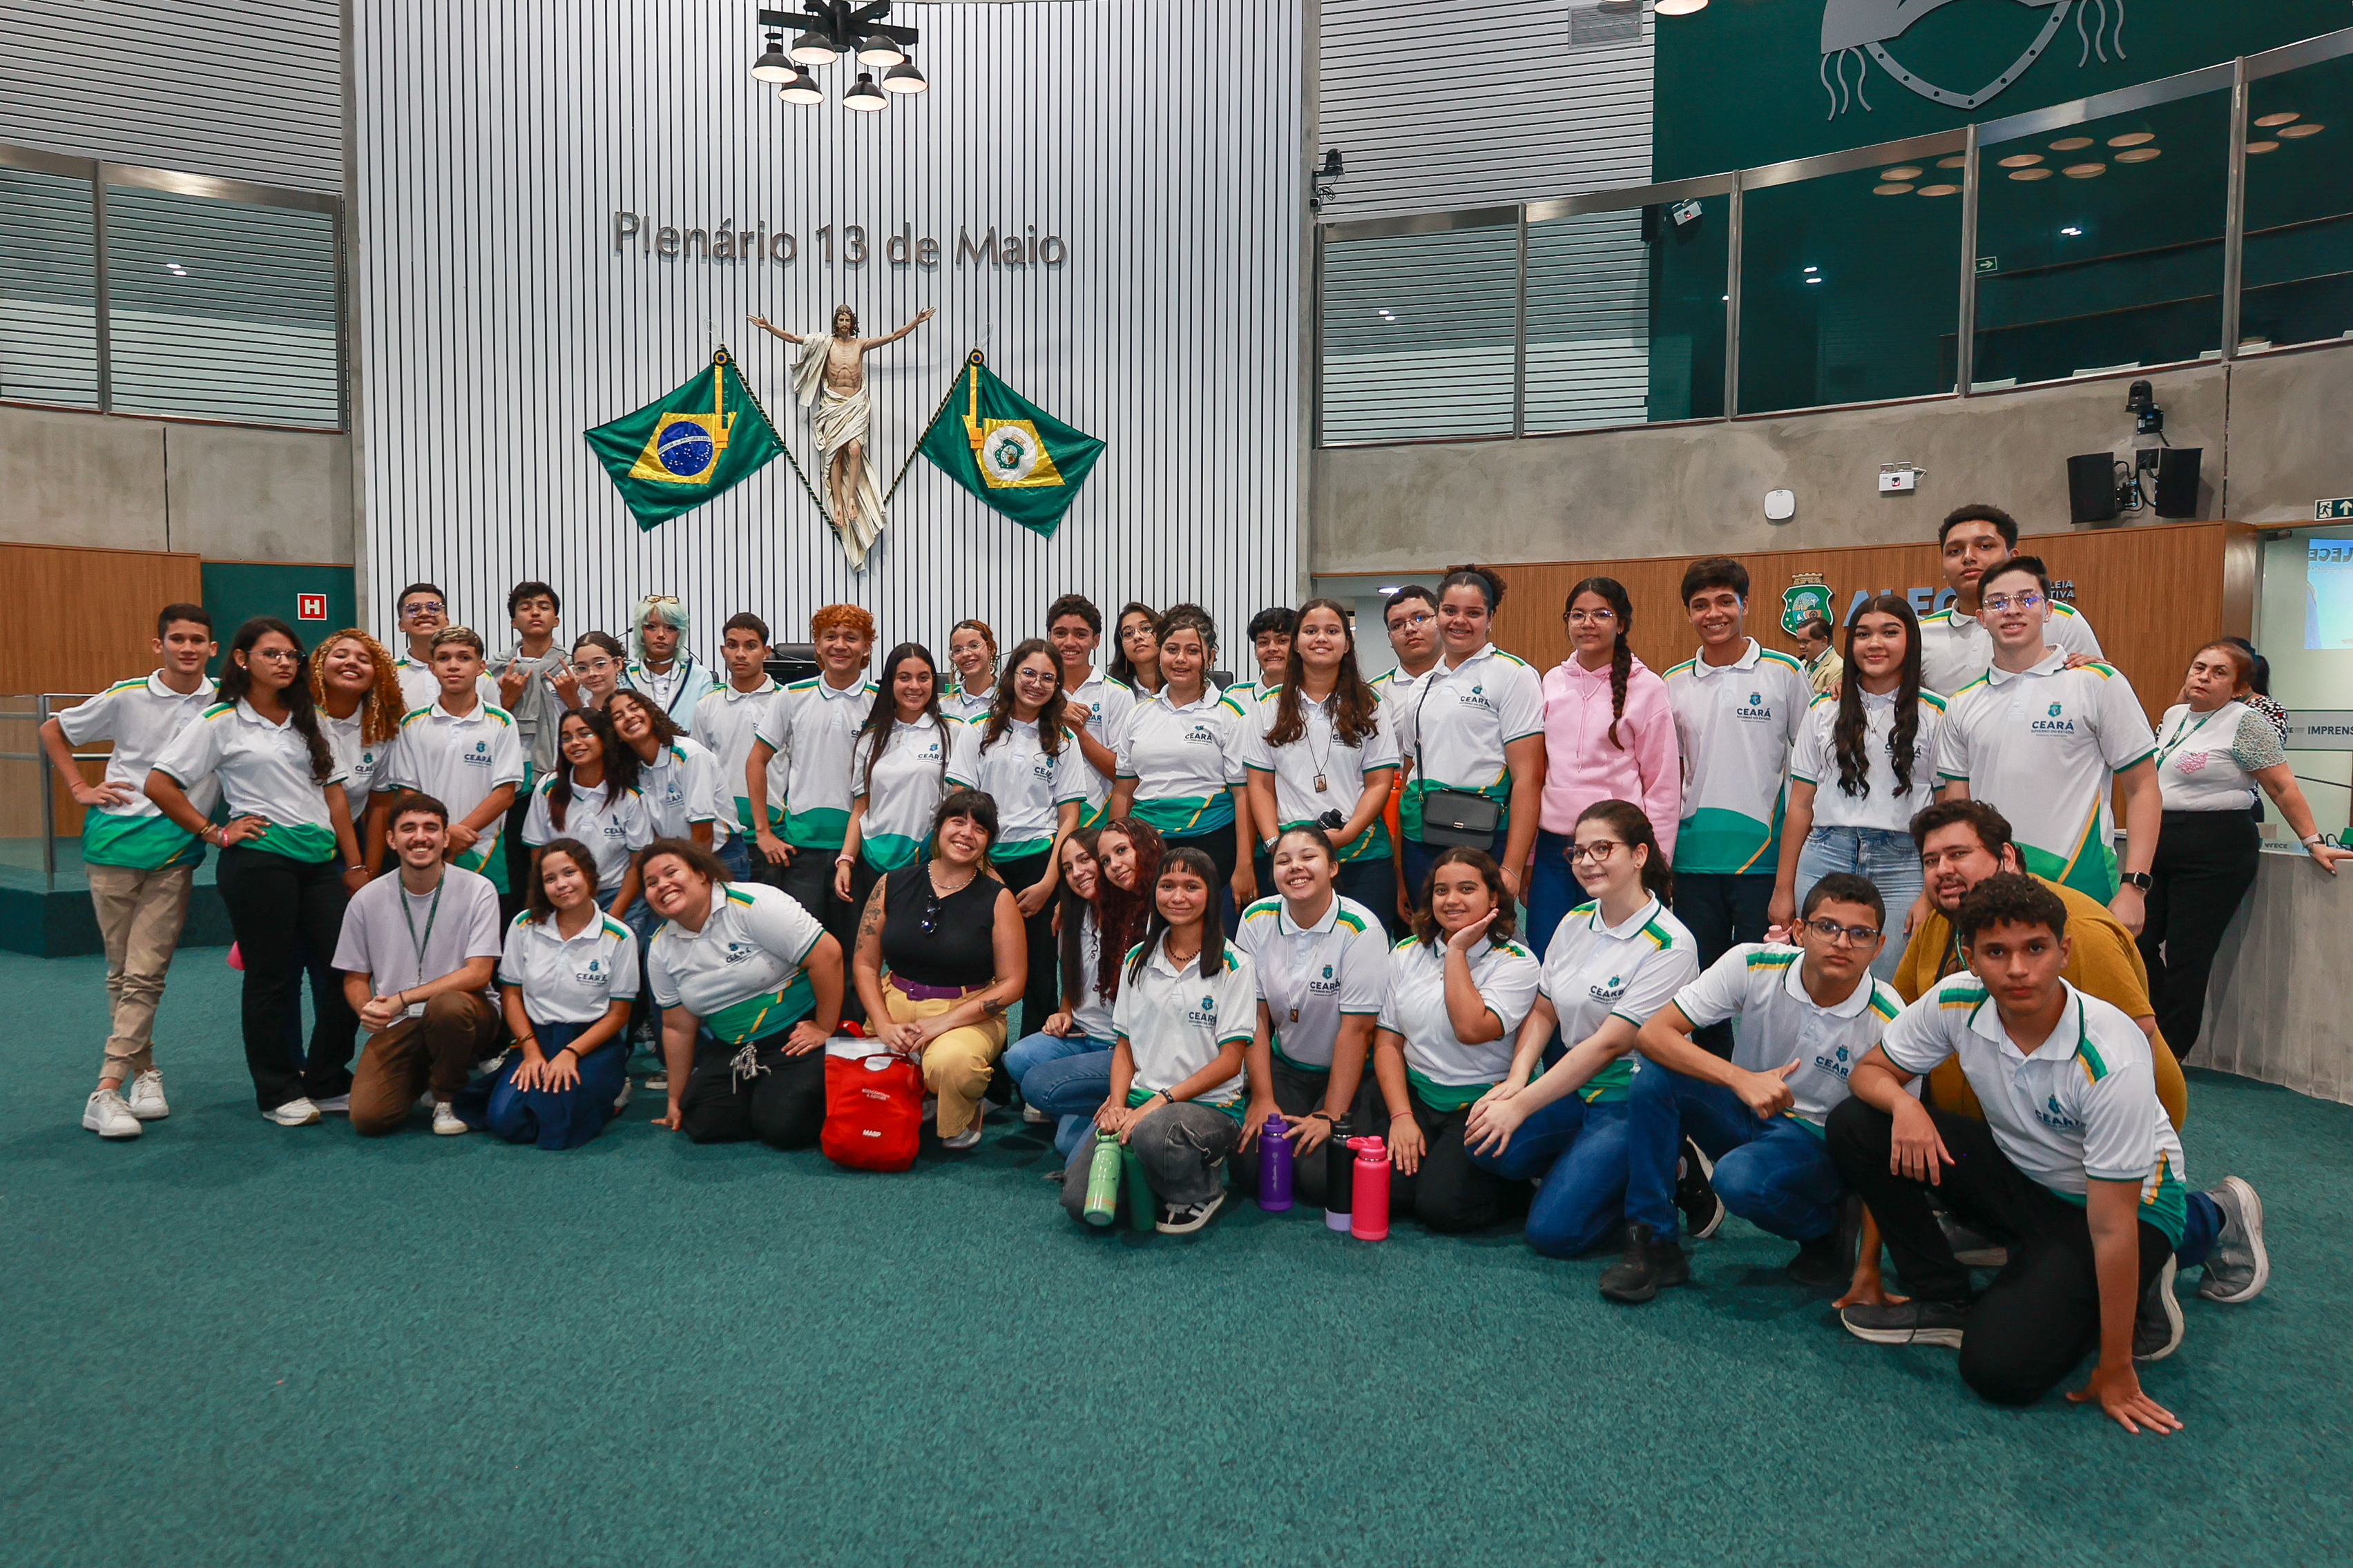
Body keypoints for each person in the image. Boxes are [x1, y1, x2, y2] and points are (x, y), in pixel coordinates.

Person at [1829, 874, 2267, 1425]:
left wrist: (2114, 1367)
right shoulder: (1954, 999)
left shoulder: (2109, 1050)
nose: (2016, 969)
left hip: (2126, 1208)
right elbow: (1869, 1073)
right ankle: (1943, 1294)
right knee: (1857, 1123)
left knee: (1999, 1372)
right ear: (1971, 956)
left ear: (2062, 951)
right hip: (2025, 1178)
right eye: (1995, 951)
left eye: (2034, 948)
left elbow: (2111, 1226)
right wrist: (1904, 1105)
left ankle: (2205, 1224)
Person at [1608, 872, 1901, 1301]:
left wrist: (1868, 1268)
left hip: (1817, 1142)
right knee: (1655, 1075)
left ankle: (1826, 1229)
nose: (1841, 943)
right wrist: (1739, 1078)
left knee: (1738, 1179)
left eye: (1860, 934)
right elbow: (1652, 1034)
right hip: (1744, 1106)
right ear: (1799, 931)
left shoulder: (1890, 1017)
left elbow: (1888, 1151)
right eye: (1827, 927)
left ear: (1879, 946)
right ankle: (1653, 1243)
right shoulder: (1752, 961)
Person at [146, 617, 365, 1125]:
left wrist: (352, 864)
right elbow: (160, 783)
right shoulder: (221, 720)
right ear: (243, 659)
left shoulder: (311, 718)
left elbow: (334, 795)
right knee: (270, 977)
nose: (285, 662)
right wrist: (215, 831)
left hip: (320, 863)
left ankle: (328, 1078)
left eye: (291, 655)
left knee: (347, 971)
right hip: (260, 862)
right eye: (273, 654)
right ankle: (277, 1091)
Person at [1457, 801, 1696, 1264]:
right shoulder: (1574, 921)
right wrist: (1515, 1079)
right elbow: (1544, 1010)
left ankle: (1669, 1162)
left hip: (1628, 1099)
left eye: (1602, 848)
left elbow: (1609, 1043)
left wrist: (1522, 1105)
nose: (1586, 862)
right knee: (1482, 1143)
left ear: (1640, 855)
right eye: (1577, 851)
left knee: (1554, 1233)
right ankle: (1592, 1165)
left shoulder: (1671, 943)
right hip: (1572, 1087)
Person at [43, 604, 218, 1139]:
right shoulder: (127, 694)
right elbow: (55, 730)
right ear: (157, 644)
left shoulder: (223, 701)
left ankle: (106, 1087)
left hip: (174, 848)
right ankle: (145, 1072)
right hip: (112, 842)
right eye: (177, 639)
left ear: (213, 648)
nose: (187, 648)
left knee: (145, 971)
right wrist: (79, 787)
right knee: (123, 970)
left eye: (197, 640)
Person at [2140, 641, 2348, 1060]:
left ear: (2238, 687)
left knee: (2187, 955)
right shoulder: (2175, 715)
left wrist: (2313, 841)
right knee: (2137, 940)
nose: (2203, 677)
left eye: (2219, 672)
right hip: (2160, 842)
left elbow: (2281, 786)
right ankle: (2153, 1030)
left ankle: (2170, 1053)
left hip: (2216, 846)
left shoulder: (2246, 722)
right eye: (2199, 668)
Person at [1935, 554, 2160, 919]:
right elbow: (1957, 812)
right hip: (1991, 890)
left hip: (2082, 885)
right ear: (1982, 618)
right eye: (1997, 602)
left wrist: (2134, 887)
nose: (2012, 610)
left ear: (2048, 610)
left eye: (2027, 599)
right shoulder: (1961, 705)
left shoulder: (2097, 683)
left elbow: (2143, 787)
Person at [1056, 846, 1261, 1235]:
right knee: (1079, 1202)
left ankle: (1200, 1186)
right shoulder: (1137, 959)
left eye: (1191, 886)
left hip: (1210, 1107)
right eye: (1167, 886)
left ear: (1210, 894)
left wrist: (1156, 1104)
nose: (1178, 897)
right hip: (1140, 1101)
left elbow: (1231, 1062)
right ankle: (1152, 1174)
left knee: (1157, 1135)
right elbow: (1124, 1046)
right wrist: (1117, 1104)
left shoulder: (1235, 965)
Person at [1662, 556, 1809, 1054]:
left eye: (1725, 601)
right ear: (1688, 613)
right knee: (1702, 987)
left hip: (1762, 861)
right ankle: (1711, 1092)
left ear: (1745, 604)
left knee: (1765, 987)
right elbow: (1669, 774)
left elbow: (1809, 770)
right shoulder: (1673, 682)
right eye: (1700, 604)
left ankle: (1762, 1088)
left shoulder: (1785, 672)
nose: (1714, 613)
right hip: (1692, 860)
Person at [1769, 595, 1945, 983]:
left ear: (1910, 641)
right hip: (1825, 854)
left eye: (1889, 632)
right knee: (1820, 980)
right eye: (1863, 634)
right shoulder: (1823, 710)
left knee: (1888, 987)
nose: (1875, 643)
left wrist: (1929, 892)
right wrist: (1783, 890)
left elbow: (1948, 811)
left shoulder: (1937, 713)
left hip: (1902, 866)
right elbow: (1799, 806)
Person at [1372, 846, 1543, 1232]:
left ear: (1493, 897)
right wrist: (1401, 1116)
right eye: (1441, 890)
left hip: (1480, 1103)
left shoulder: (1516, 962)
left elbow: (1471, 1030)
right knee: (1386, 1192)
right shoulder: (1405, 953)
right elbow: (1387, 1042)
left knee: (1441, 1209)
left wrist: (1457, 951)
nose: (1451, 901)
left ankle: (1519, 1185)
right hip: (1417, 1096)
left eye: (1467, 889)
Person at [850, 791, 1029, 1148]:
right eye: (958, 821)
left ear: (989, 841)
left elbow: (1013, 984)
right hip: (894, 1002)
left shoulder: (999, 898)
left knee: (952, 1065)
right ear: (939, 827)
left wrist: (940, 1024)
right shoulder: (892, 883)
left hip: (965, 1011)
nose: (966, 834)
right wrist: (884, 1025)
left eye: (979, 828)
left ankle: (962, 1107)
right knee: (863, 1080)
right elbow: (865, 963)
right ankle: (924, 1094)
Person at [642, 839, 845, 1146]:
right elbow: (677, 1027)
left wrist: (824, 1027)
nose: (662, 885)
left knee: (785, 1129)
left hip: (797, 1034)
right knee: (702, 1124)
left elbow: (828, 955)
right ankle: (766, 1090)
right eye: (651, 882)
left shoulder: (754, 903)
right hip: (734, 1045)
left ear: (701, 874)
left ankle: (802, 1079)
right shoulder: (659, 947)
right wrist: (674, 1098)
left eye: (671, 873)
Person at [1233, 825, 1391, 1206]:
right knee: (1250, 1170)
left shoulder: (1361, 929)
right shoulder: (1256, 918)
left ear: (1333, 868)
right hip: (1286, 1065)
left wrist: (1330, 1114)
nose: (1295, 868)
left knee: (1321, 1177)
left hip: (1353, 1072)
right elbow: (1252, 1016)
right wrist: (1263, 1097)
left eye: (1308, 857)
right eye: (1283, 861)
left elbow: (1357, 1031)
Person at [332, 795, 506, 1136]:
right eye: (408, 829)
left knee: (446, 1007)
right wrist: (366, 1010)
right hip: (401, 1023)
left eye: (431, 828)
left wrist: (403, 998)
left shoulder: (478, 890)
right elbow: (354, 977)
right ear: (391, 839)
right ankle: (428, 1071)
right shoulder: (366, 899)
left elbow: (478, 973)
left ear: (445, 837)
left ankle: (448, 1096)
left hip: (468, 1013)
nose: (420, 837)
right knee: (368, 1118)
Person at [1529, 577, 1679, 956]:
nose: (1587, 623)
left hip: (1616, 847)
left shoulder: (1647, 687)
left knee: (1612, 954)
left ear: (1622, 623)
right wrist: (1528, 858)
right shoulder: (1551, 681)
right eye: (1578, 615)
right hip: (1555, 847)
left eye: (1601, 614)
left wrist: (1656, 863)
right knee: (1549, 951)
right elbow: (1537, 774)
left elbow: (1661, 784)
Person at [461, 836, 639, 1150]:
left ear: (589, 875)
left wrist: (571, 1054)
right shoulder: (523, 925)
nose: (562, 885)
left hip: (591, 1043)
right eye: (550, 879)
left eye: (569, 873)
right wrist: (530, 1051)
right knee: (505, 1120)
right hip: (536, 1039)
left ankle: (614, 1094)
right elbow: (512, 995)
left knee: (558, 1123)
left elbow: (618, 1015)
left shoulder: (619, 936)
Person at [945, 637, 1088, 1023]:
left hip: (1040, 864)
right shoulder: (977, 729)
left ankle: (1030, 1059)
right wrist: (985, 870)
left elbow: (1069, 818)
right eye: (1029, 673)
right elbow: (960, 805)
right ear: (1012, 674)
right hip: (982, 862)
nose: (1036, 684)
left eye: (1048, 678)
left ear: (1057, 686)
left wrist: (1048, 882)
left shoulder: (1064, 740)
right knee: (976, 963)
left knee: (1040, 969)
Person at [1242, 597, 1401, 935]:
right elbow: (1259, 785)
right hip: (1289, 856)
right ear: (1297, 644)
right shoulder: (1267, 707)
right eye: (1311, 631)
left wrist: (1346, 834)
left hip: (1360, 853)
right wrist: (1274, 845)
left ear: (1347, 643)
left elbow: (1379, 783)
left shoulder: (1370, 704)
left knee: (1366, 946)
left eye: (1332, 631)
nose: (1321, 639)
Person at [1006, 818, 1164, 1156]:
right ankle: (1086, 1097)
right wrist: (1063, 1012)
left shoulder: (1137, 914)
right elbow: (1073, 983)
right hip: (1081, 1037)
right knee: (1018, 1058)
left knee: (1067, 1145)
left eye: (1087, 860)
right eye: (1067, 868)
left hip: (1120, 1049)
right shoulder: (1072, 917)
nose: (1077, 873)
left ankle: (1105, 1096)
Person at [749, 604, 878, 1016]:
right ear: (817, 647)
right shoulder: (792, 696)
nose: (840, 645)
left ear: (867, 648)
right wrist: (763, 831)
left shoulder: (882, 702)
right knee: (802, 950)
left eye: (851, 638)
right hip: (800, 850)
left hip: (860, 850)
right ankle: (804, 1036)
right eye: (830, 637)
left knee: (859, 951)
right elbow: (756, 761)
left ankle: (853, 1039)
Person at [1394, 565, 1544, 911]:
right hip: (1420, 836)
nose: (1459, 621)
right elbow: (1408, 775)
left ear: (1490, 619)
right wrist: (1400, 871)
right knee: (1427, 938)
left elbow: (1528, 778)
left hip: (1483, 835)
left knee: (1482, 942)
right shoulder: (1422, 685)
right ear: (1437, 616)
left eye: (1473, 613)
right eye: (1449, 611)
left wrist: (1512, 866)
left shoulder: (1513, 675)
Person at [748, 303, 936, 567]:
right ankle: (837, 501)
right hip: (833, 404)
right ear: (835, 322)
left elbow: (893, 337)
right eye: (841, 319)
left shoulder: (860, 344)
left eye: (848, 319)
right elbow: (793, 338)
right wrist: (768, 327)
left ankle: (851, 499)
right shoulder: (824, 344)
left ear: (852, 322)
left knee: (856, 449)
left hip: (856, 404)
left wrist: (916, 322)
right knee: (834, 457)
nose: (844, 324)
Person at [1109, 603, 1254, 921]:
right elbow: (1123, 791)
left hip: (1213, 841)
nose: (1180, 660)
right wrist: (1112, 852)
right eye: (1171, 649)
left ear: (1210, 657)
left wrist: (1245, 865)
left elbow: (1243, 794)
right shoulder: (1139, 714)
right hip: (1147, 845)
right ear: (1160, 654)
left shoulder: (1229, 714)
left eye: (1192, 651)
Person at [378, 625, 525, 894]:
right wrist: (442, 835)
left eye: (464, 657)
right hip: (425, 845)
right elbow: (408, 793)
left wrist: (456, 834)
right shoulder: (412, 723)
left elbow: (505, 794)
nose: (453, 666)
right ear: (432, 667)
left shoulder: (502, 722)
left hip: (482, 849)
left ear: (481, 667)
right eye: (444, 658)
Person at [1918, 505, 2103, 697]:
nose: (1968, 557)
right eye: (1955, 551)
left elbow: (2093, 693)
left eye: (1985, 547)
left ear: (2012, 558)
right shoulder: (1922, 634)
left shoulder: (2061, 619)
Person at [836, 643, 953, 926]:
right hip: (873, 862)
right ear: (890, 682)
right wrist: (845, 861)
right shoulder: (870, 739)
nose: (914, 686)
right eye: (904, 677)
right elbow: (861, 808)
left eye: (923, 678)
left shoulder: (953, 732)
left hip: (927, 861)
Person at [521, 707, 649, 918]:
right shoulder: (548, 787)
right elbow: (537, 851)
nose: (575, 743)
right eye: (567, 738)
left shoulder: (629, 793)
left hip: (616, 895)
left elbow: (637, 864)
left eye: (585, 734)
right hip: (563, 893)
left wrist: (614, 916)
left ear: (604, 738)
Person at [491, 581, 573, 907]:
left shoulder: (575, 666)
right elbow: (485, 726)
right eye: (525, 608)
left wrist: (570, 698)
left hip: (563, 779)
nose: (535, 612)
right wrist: (505, 701)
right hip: (514, 784)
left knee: (564, 865)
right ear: (513, 621)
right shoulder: (494, 669)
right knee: (517, 871)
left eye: (543, 606)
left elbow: (592, 726)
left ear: (556, 618)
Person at [691, 612, 785, 880]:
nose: (740, 654)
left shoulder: (786, 701)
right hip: (725, 837)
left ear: (766, 652)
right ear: (723, 650)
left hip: (777, 834)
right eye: (733, 646)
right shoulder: (706, 705)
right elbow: (699, 773)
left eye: (750, 646)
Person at [1374, 584, 1442, 928]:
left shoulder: (1477, 682)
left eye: (1419, 618)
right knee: (1407, 923)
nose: (1410, 629)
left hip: (1467, 817)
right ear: (1389, 637)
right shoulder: (1373, 695)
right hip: (1394, 819)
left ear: (1440, 619)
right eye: (1398, 624)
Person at [310, 629, 404, 875]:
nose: (351, 662)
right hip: (290, 838)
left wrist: (368, 872)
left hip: (349, 838)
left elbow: (379, 806)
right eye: (340, 655)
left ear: (377, 674)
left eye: (364, 660)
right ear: (321, 664)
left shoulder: (381, 730)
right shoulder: (296, 718)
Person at [1046, 593, 1134, 827]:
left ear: (1096, 641)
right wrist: (1053, 710)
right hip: (1041, 822)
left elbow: (1122, 773)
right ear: (1049, 637)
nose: (1069, 642)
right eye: (1061, 633)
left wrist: (1077, 732)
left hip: (1097, 819)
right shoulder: (1035, 693)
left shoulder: (1118, 694)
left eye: (1080, 634)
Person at [607, 688, 725, 853]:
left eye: (634, 708)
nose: (629, 717)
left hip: (717, 854)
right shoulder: (630, 770)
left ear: (650, 713)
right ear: (615, 734)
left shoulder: (689, 755)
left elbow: (704, 835)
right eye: (618, 717)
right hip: (674, 857)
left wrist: (693, 876)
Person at [390, 581, 500, 713]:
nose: (424, 614)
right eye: (413, 609)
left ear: (447, 621)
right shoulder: (388, 674)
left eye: (434, 608)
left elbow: (494, 722)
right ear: (401, 624)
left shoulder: (478, 674)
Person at [622, 594, 718, 729]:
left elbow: (706, 730)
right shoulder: (622, 677)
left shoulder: (700, 677)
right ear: (640, 631)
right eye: (651, 627)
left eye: (671, 628)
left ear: (681, 633)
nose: (661, 635)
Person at [941, 618, 999, 724]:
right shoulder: (943, 708)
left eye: (974, 646)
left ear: (991, 648)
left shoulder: (1010, 702)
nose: (966, 654)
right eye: (958, 650)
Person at [1108, 601, 1163, 697]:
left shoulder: (1182, 686)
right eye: (1128, 633)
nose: (1137, 637)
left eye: (1145, 628)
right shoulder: (1114, 693)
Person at [566, 631, 628, 710]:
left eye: (600, 664)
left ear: (618, 664)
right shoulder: (581, 714)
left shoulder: (635, 709)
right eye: (582, 668)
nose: (592, 674)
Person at [1795, 614, 1843, 698]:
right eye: (1799, 642)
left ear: (1824, 640)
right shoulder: (1802, 663)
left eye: (1805, 642)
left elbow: (1833, 705)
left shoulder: (1839, 668)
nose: (1801, 647)